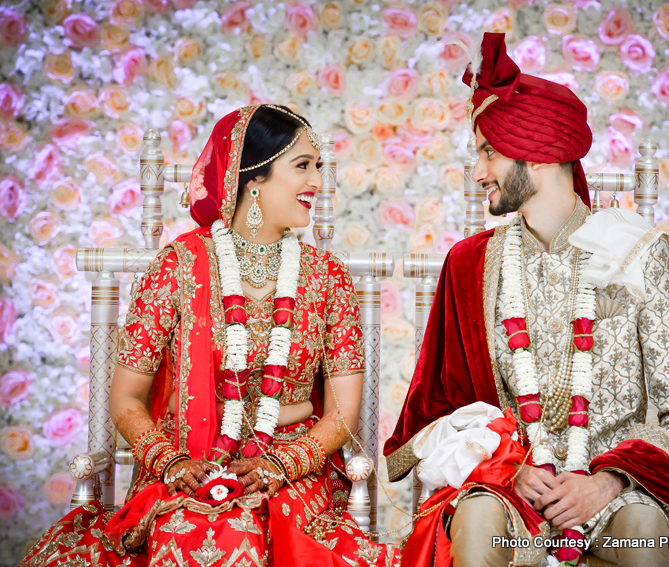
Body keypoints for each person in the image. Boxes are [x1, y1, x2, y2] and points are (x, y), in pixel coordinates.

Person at [384, 34, 669, 567]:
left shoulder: (632, 252)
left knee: (643, 526)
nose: (477, 173)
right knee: (477, 517)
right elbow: (436, 409)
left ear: (534, 153)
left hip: (615, 493)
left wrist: (607, 481)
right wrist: (511, 467)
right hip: (514, 491)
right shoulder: (470, 264)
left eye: (487, 152)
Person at [22, 105, 400, 567]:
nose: (317, 183)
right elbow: (125, 397)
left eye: (317, 167)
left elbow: (342, 414)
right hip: (188, 463)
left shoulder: (326, 277)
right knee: (195, 531)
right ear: (253, 179)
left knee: (245, 532)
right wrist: (171, 463)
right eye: (302, 166)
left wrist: (284, 464)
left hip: (292, 473)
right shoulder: (178, 267)